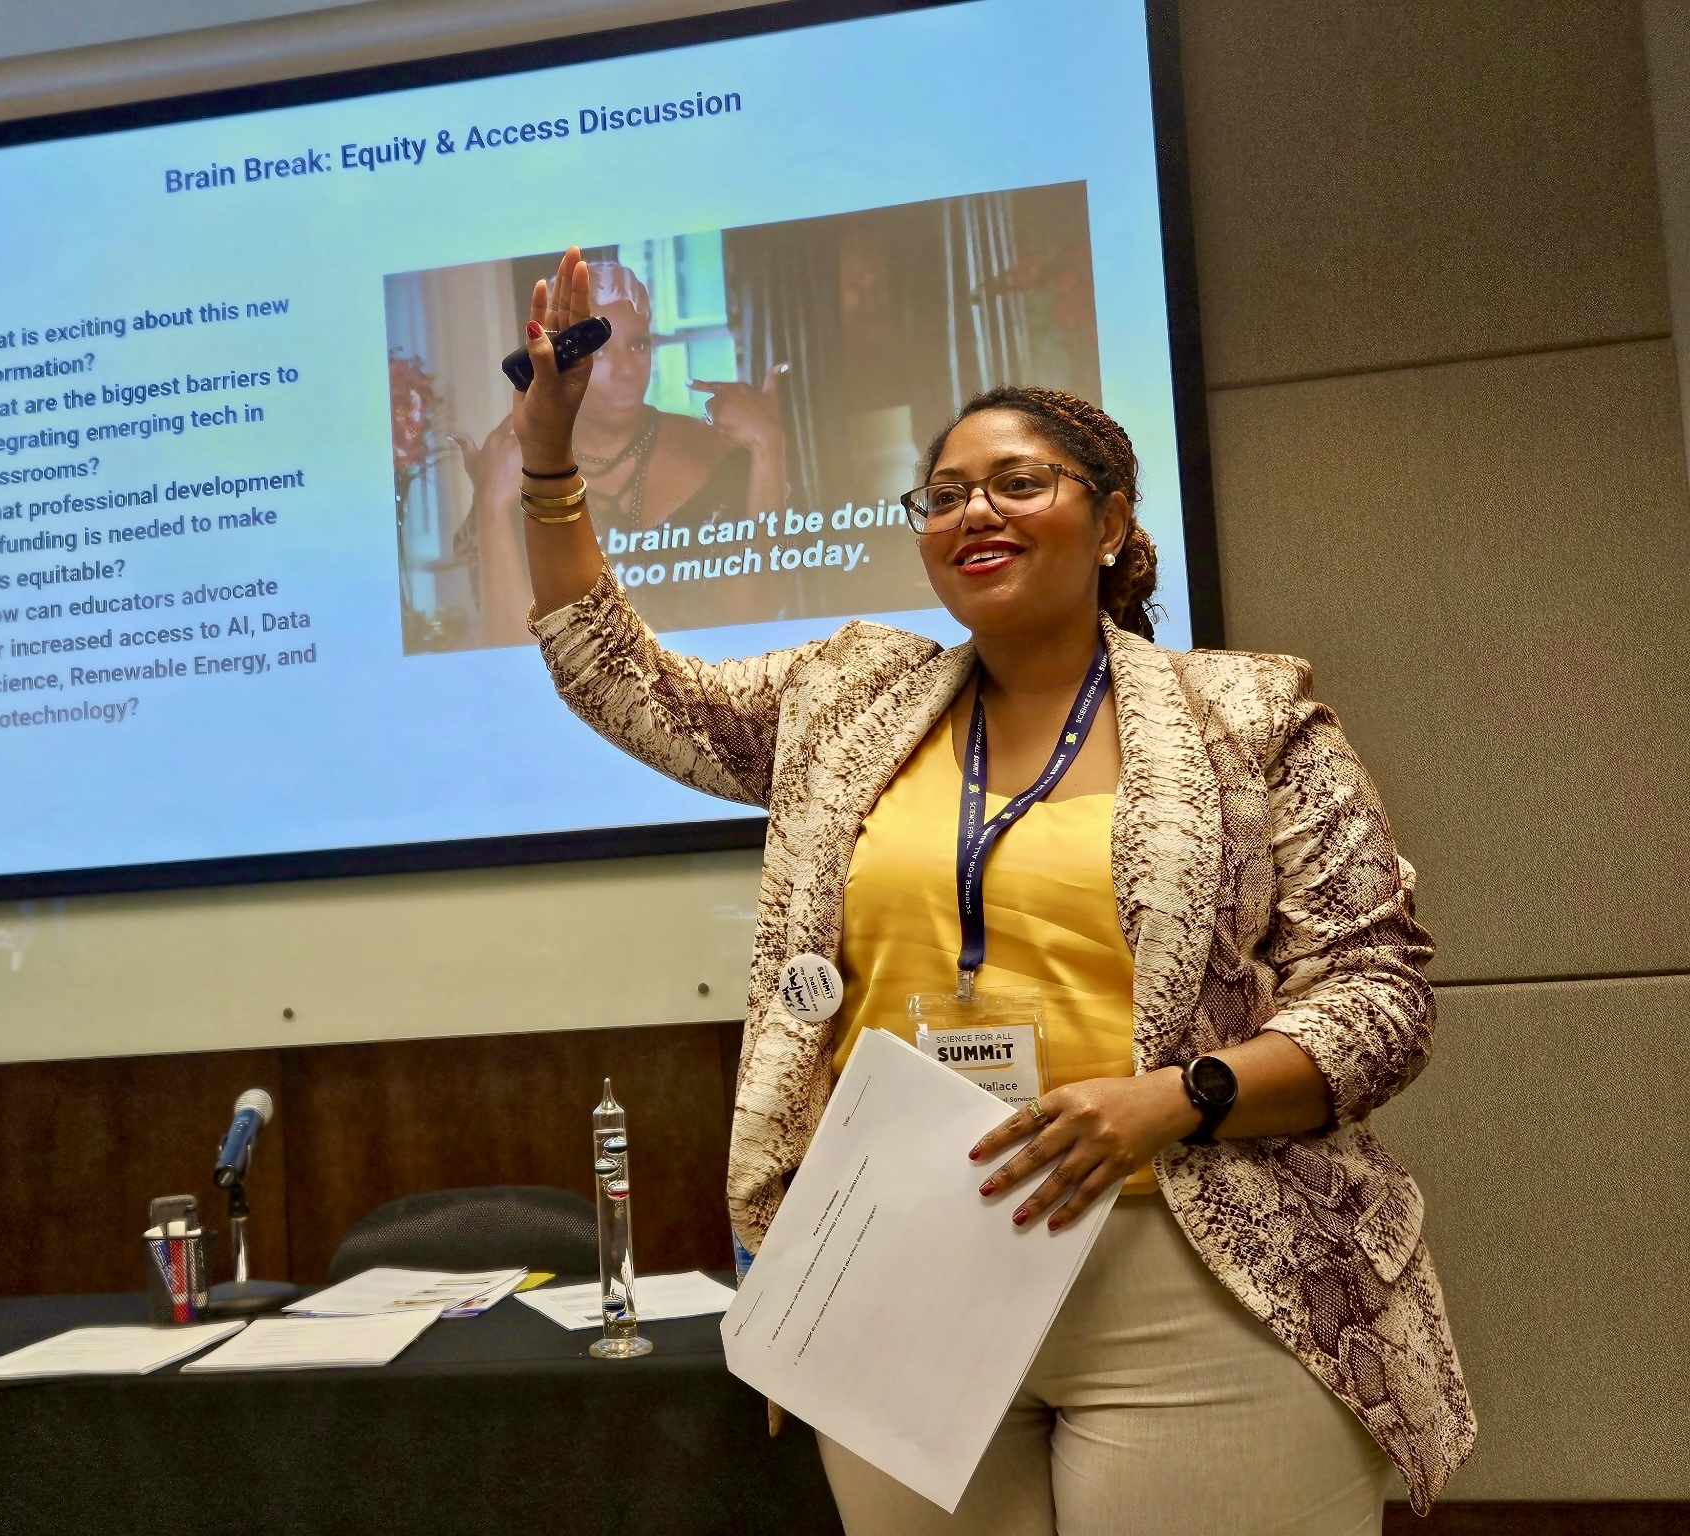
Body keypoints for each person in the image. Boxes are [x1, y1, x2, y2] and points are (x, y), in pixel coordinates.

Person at [511, 249, 1473, 1533]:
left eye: (1020, 483)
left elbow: (1379, 989)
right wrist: (546, 463)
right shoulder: (843, 698)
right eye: (944, 492)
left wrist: (1176, 1098)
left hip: (1183, 1258)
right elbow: (612, 673)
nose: (975, 512)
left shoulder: (1250, 714)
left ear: (1113, 520)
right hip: (898, 1265)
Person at [452, 258, 787, 645]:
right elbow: (514, 651)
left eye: (638, 344)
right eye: (602, 352)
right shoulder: (510, 476)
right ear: (556, 359)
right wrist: (492, 508)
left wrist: (769, 449)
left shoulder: (716, 453)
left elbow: (751, 617)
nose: (628, 370)